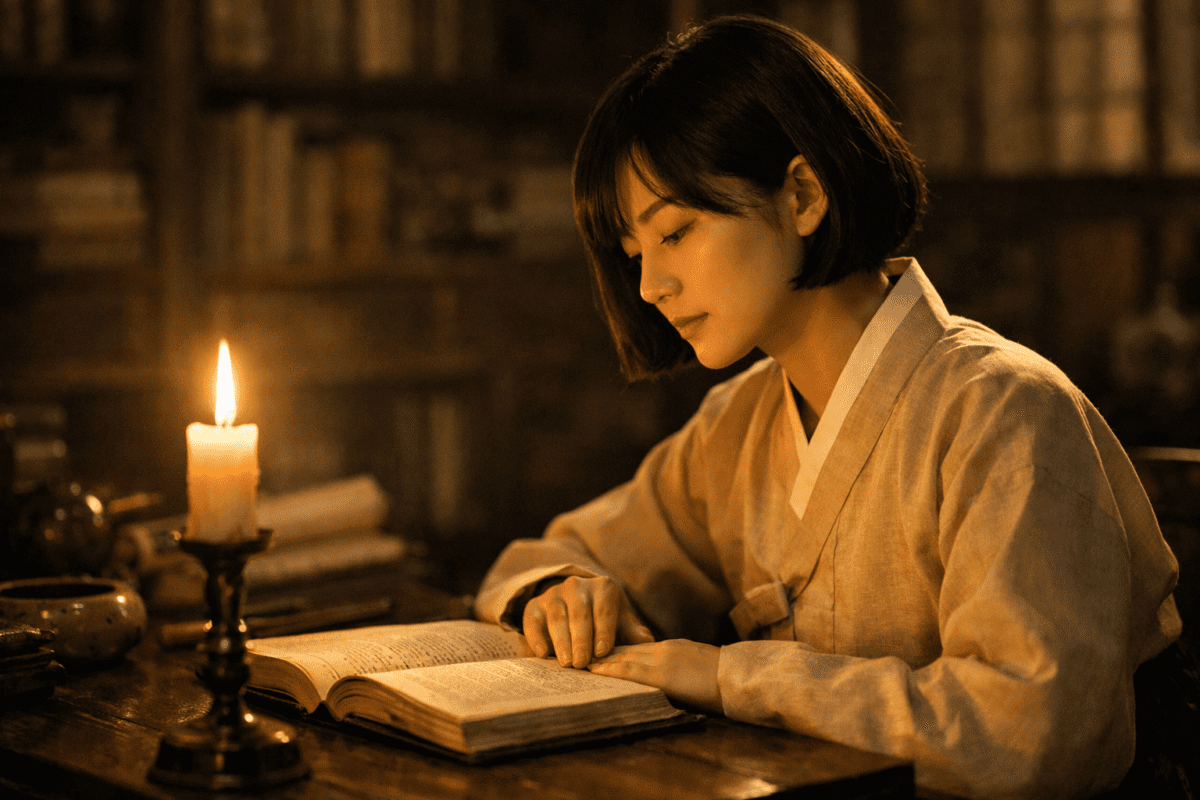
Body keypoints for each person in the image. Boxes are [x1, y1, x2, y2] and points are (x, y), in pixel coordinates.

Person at [474, 15, 1183, 799]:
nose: (649, 287)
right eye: (635, 254)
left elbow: (1030, 735)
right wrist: (565, 590)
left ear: (802, 194)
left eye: (675, 231)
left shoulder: (1006, 412)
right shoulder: (735, 427)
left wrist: (726, 677)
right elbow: (555, 554)